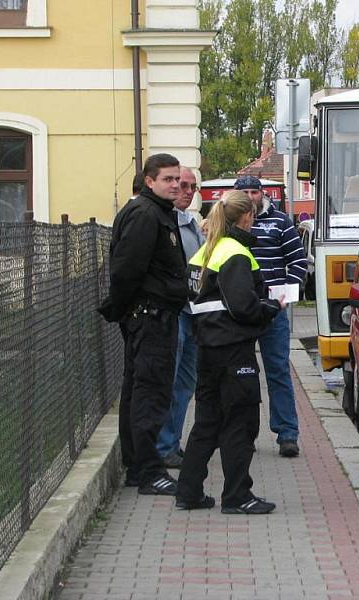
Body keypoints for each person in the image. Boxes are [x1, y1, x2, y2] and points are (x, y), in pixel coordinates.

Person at [176, 190, 285, 513]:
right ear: (247, 217)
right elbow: (243, 306)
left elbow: (201, 300)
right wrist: (269, 307)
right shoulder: (236, 253)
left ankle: (189, 492)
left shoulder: (203, 252)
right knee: (241, 421)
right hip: (234, 350)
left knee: (206, 422)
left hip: (206, 348)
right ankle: (237, 496)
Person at [99, 153, 187, 496]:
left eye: (177, 179)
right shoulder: (145, 215)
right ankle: (147, 471)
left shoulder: (158, 213)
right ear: (149, 181)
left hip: (154, 316)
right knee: (149, 393)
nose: (175, 185)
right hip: (149, 317)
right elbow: (126, 270)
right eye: (168, 179)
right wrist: (122, 309)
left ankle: (140, 466)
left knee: (142, 390)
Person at [234, 175, 307, 458]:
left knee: (277, 370)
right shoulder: (229, 224)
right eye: (245, 192)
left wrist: (287, 296)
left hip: (275, 310)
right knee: (243, 374)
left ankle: (287, 433)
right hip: (241, 310)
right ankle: (244, 433)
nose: (251, 196)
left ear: (262, 194)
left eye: (255, 191)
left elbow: (298, 261)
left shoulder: (280, 222)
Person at [156, 167, 205, 468]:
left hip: (193, 313)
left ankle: (171, 442)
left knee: (186, 382)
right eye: (182, 185)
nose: (187, 191)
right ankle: (162, 446)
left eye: (192, 187)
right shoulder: (162, 222)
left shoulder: (192, 224)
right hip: (173, 313)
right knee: (168, 381)